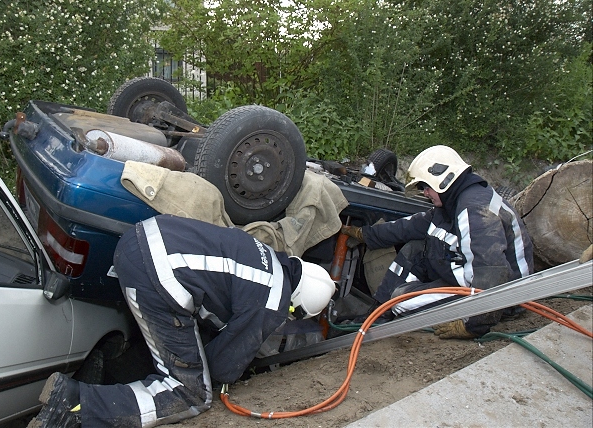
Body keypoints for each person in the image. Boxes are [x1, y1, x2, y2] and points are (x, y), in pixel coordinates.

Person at [28, 215, 335, 428]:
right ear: (297, 304)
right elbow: (222, 367)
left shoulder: (266, 255)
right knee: (191, 394)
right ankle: (76, 402)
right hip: (159, 275)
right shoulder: (272, 300)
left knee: (176, 349)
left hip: (139, 240)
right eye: (293, 313)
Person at [342, 145, 534, 339]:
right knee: (416, 249)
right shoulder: (458, 200)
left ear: (444, 179)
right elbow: (409, 226)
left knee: (400, 304)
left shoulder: (474, 210)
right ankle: (377, 315)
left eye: (426, 187)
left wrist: (474, 324)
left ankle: (389, 316)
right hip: (473, 277)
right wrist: (365, 234)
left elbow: (491, 271)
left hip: (503, 298)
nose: (425, 193)